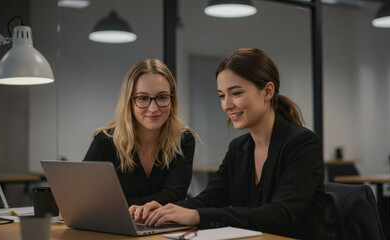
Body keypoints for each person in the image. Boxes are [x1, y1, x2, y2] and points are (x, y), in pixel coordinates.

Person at [129, 48, 326, 239]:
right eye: (222, 96)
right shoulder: (238, 149)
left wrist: (198, 216)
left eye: (236, 93)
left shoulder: (302, 144)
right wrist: (164, 211)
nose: (226, 105)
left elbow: (280, 215)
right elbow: (209, 200)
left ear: (267, 91)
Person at [84, 59, 197, 207]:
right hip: (111, 227)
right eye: (143, 98)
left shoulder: (183, 140)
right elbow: (86, 197)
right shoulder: (105, 141)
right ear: (129, 102)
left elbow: (174, 196)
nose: (153, 108)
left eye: (162, 97)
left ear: (172, 99)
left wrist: (120, 205)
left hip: (165, 227)